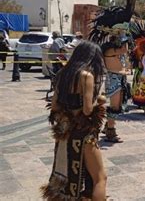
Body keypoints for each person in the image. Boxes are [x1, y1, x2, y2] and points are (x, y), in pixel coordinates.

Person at [41, 41, 107, 200]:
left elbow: (55, 106)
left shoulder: (63, 73)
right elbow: (87, 110)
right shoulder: (86, 76)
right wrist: (99, 100)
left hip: (65, 133)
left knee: (70, 175)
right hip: (83, 134)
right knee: (100, 177)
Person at [102, 35, 128, 143]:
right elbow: (125, 49)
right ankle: (110, 132)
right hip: (113, 78)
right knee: (114, 106)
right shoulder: (109, 50)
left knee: (119, 105)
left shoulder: (117, 51)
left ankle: (108, 125)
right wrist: (124, 35)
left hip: (120, 78)